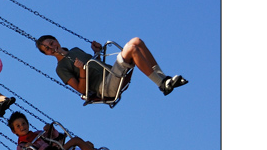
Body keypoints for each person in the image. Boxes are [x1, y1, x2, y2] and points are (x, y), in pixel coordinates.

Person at [35, 34, 187, 100]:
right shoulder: (60, 68)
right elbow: (82, 90)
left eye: (51, 43)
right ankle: (161, 84)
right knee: (131, 49)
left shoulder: (74, 50)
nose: (52, 47)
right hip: (105, 87)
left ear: (56, 40)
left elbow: (96, 65)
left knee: (136, 41)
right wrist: (81, 70)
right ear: (47, 54)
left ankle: (163, 78)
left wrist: (97, 53)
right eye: (48, 48)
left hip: (110, 73)